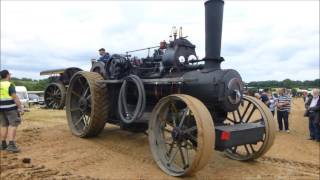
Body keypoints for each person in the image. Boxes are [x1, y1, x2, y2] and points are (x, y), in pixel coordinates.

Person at [0, 70, 24, 153]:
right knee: (13, 125)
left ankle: (3, 144)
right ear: (7, 75)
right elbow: (14, 97)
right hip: (10, 108)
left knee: (3, 125)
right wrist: (20, 107)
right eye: (9, 74)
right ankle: (11, 145)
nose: (10, 76)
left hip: (1, 109)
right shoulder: (10, 84)